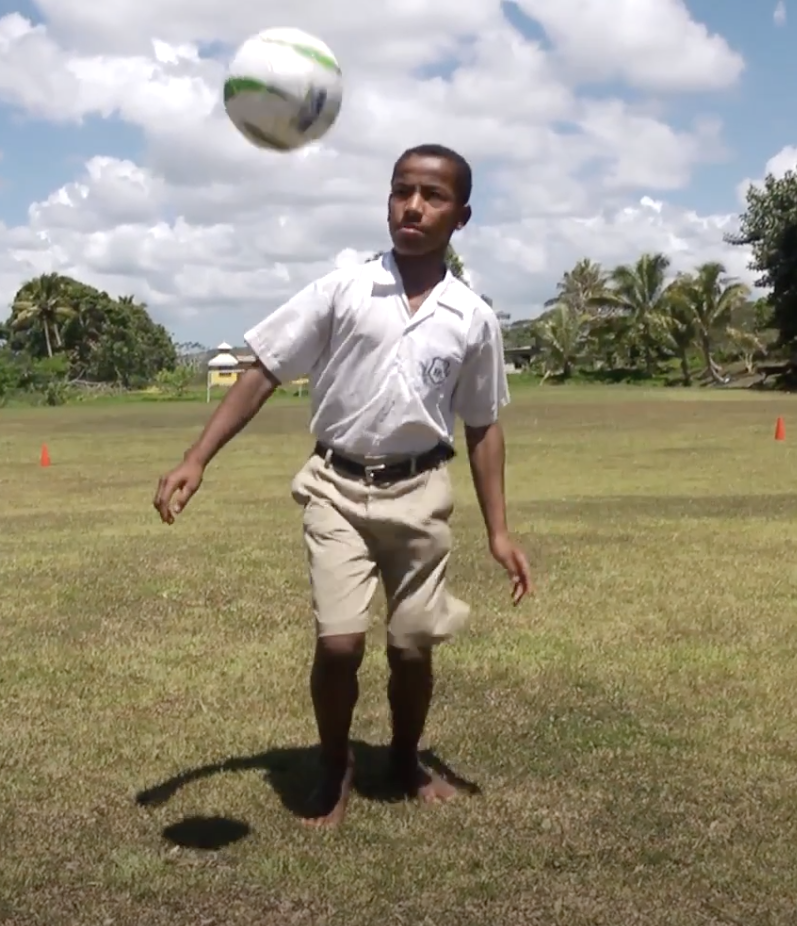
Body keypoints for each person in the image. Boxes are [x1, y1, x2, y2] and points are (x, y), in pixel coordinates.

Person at [152, 143, 533, 828]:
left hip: (420, 494)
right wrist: (196, 458)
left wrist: (500, 532)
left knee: (412, 644)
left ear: (462, 215)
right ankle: (334, 765)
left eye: (432, 196)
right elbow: (264, 370)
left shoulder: (471, 318)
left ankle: (406, 758)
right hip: (335, 485)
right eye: (401, 191)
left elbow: (483, 425)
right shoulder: (344, 289)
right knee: (340, 643)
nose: (413, 206)